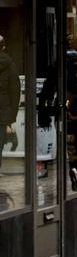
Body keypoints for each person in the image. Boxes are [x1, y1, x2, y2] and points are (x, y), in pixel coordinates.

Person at [39, 35, 77, 191]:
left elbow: (46, 90)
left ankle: (71, 165)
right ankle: (75, 169)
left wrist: (43, 111)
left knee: (66, 144)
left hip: (62, 112)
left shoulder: (57, 66)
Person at [0, 35, 20, 169]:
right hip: (2, 115)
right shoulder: (10, 66)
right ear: (4, 47)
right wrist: (11, 117)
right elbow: (15, 93)